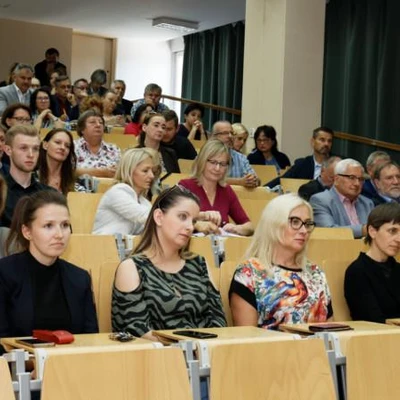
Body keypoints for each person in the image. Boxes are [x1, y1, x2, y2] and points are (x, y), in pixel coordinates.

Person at [112, 185, 226, 339]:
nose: (190, 227)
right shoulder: (132, 268)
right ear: (159, 217)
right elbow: (136, 330)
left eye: (193, 221)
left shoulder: (199, 263)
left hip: (206, 354)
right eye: (182, 217)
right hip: (156, 358)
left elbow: (219, 320)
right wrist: (185, 348)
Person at [0, 190, 98, 347]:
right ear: (27, 232)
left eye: (65, 225)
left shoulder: (80, 278)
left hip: (70, 366)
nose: (59, 234)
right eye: (48, 226)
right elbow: (2, 342)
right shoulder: (5, 273)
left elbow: (90, 338)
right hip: (17, 368)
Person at [229, 193, 333, 329]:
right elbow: (247, 338)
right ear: (274, 224)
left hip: (317, 348)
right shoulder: (249, 273)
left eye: (307, 224)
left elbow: (331, 329)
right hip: (271, 349)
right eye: (295, 222)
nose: (304, 231)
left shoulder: (315, 273)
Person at [179, 140, 254, 236]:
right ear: (202, 161)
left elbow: (249, 226)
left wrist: (237, 228)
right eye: (213, 162)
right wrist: (196, 224)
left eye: (223, 164)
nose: (217, 168)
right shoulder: (185, 186)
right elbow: (175, 217)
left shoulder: (226, 191)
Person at [345, 203, 400, 323]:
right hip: (377, 338)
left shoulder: (397, 269)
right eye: (392, 231)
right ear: (372, 231)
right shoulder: (357, 271)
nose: (399, 239)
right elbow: (370, 319)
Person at [93, 148, 159, 235]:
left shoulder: (144, 202)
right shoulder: (117, 192)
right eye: (145, 171)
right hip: (102, 246)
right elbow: (144, 216)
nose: (151, 176)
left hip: (124, 247)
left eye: (152, 171)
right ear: (129, 171)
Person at [1, 125, 53, 227]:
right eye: (23, 148)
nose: (31, 154)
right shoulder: (1, 191)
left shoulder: (50, 195)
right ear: (8, 150)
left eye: (35, 149)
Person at [309, 158, 374, 238]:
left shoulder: (367, 203)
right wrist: (362, 230)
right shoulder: (320, 200)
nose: (357, 183)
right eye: (351, 178)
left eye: (360, 179)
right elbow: (328, 231)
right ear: (336, 179)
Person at [266, 126, 334, 188]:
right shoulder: (302, 164)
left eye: (329, 141)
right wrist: (263, 189)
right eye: (322, 140)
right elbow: (282, 180)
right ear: (312, 142)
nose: (326, 144)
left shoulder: (336, 164)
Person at [211, 120, 259, 188]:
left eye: (231, 133)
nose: (230, 136)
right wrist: (240, 182)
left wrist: (252, 180)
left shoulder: (241, 158)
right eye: (225, 133)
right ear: (214, 136)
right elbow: (211, 179)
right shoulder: (206, 155)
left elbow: (257, 180)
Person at [74, 110, 121, 178]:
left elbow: (122, 172)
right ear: (82, 129)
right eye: (92, 122)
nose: (98, 125)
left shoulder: (114, 149)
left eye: (101, 122)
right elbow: (68, 171)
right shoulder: (72, 147)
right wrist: (102, 172)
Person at [38, 128, 78, 194]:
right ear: (45, 145)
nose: (62, 147)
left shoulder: (74, 181)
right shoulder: (32, 178)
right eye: (57, 142)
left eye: (67, 146)